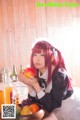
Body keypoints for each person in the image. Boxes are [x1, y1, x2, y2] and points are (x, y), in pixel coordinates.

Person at [18, 40, 80, 120]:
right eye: (35, 55)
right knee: (11, 112)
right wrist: (30, 86)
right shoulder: (35, 72)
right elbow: (35, 103)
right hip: (48, 107)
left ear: (51, 58)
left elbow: (50, 106)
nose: (37, 59)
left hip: (66, 108)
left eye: (42, 55)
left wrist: (36, 85)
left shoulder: (60, 76)